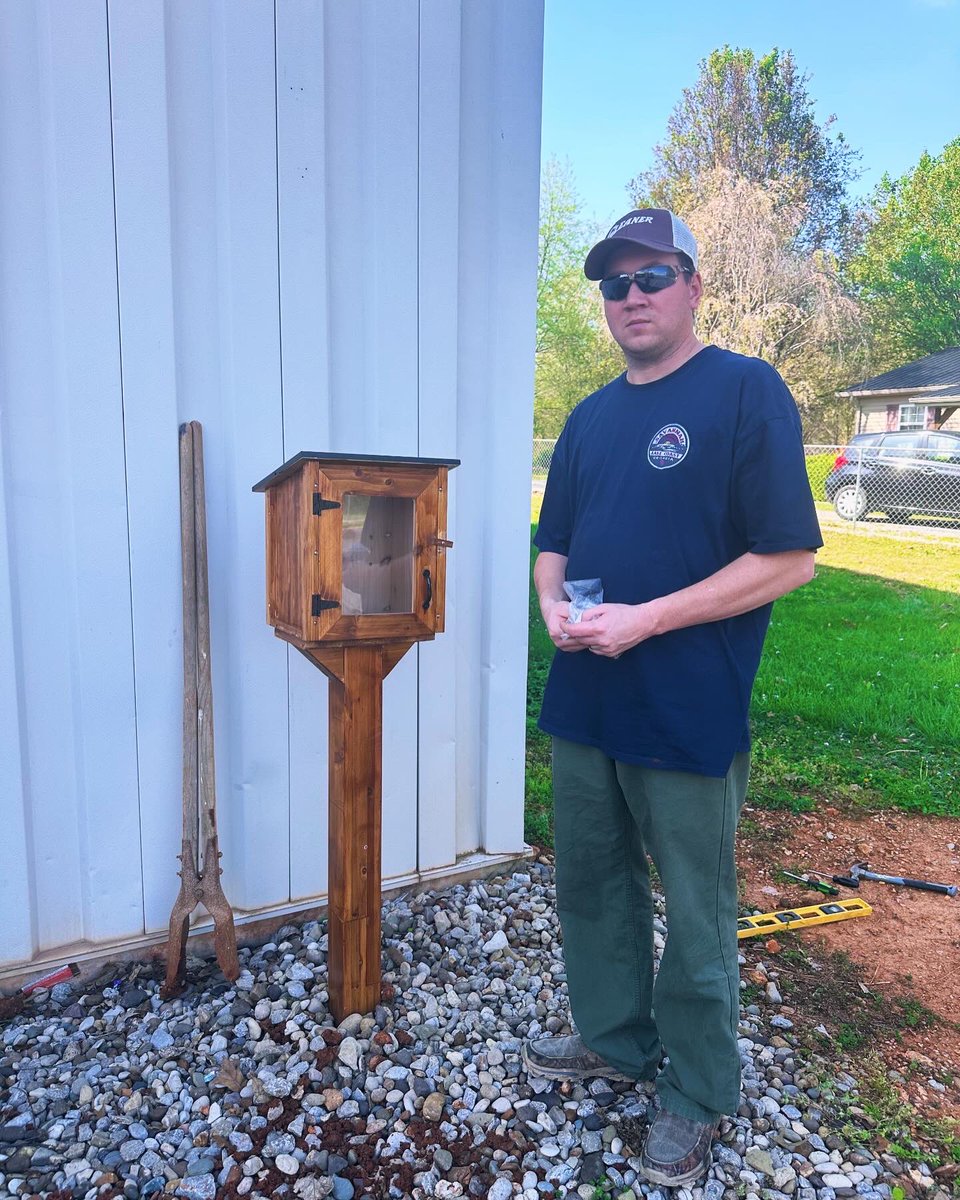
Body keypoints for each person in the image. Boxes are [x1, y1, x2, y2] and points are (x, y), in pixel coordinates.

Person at [522, 209, 822, 1187]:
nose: (634, 296)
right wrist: (553, 607)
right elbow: (552, 544)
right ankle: (614, 1038)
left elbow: (788, 559)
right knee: (592, 888)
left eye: (653, 275)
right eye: (615, 283)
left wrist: (648, 620)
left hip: (687, 709)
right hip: (585, 703)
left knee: (696, 911)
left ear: (693, 285)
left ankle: (698, 1090)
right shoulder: (589, 418)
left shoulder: (745, 392)